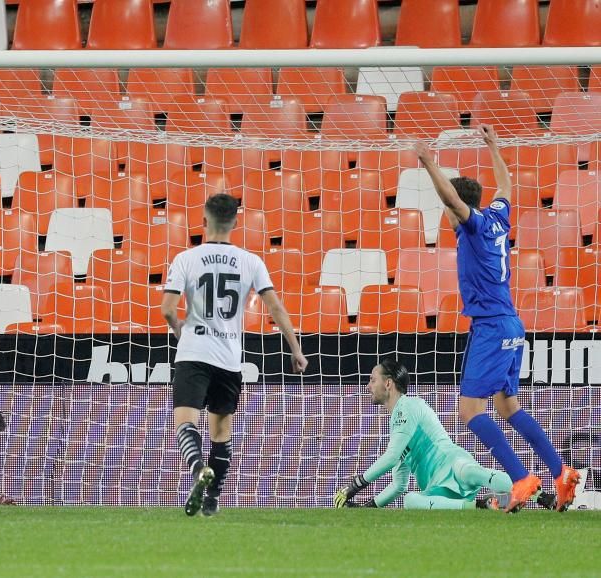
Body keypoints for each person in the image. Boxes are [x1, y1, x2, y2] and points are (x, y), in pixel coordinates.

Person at [414, 126, 580, 512]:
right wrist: (493, 146)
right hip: (511, 325)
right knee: (508, 406)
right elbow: (506, 187)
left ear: (457, 210)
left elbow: (452, 198)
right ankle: (560, 472)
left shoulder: (470, 226)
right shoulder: (498, 218)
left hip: (491, 325)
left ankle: (522, 478)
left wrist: (428, 163)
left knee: (470, 410)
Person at [160, 193, 308, 517]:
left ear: (203, 221)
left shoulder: (186, 259)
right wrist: (296, 349)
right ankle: (212, 500)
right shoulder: (251, 261)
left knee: (185, 424)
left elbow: (168, 309)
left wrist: (178, 330)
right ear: (236, 223)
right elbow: (275, 307)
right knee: (220, 433)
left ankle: (199, 469)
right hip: (229, 358)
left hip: (193, 353)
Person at [334, 358, 514, 510]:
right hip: (437, 489)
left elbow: (391, 457)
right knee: (409, 500)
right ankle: (481, 505)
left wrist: (354, 486)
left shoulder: (408, 406)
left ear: (388, 383)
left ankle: (521, 492)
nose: (368, 386)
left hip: (452, 463)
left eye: (373, 380)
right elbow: (399, 485)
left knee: (467, 471)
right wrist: (367, 508)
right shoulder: (397, 426)